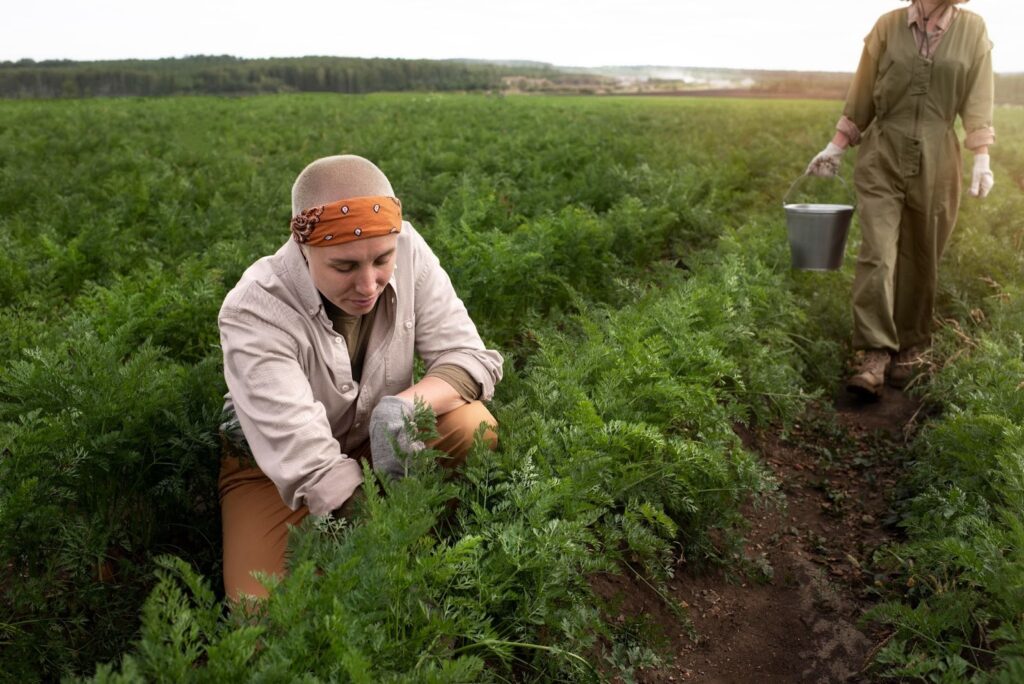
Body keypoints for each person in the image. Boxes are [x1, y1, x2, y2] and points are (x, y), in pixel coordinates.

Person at [216, 154, 503, 600]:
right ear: (303, 248)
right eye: (345, 267)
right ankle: (397, 548)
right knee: (265, 615)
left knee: (471, 426)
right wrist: (390, 544)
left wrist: (404, 408)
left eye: (381, 260)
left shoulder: (407, 249)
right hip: (274, 472)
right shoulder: (255, 309)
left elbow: (469, 356)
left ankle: (434, 536)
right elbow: (309, 463)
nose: (368, 285)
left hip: (373, 440)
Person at [806, 0, 995, 397]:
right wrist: (836, 147)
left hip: (939, 156)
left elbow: (979, 99)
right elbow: (861, 96)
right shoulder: (886, 27)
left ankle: (910, 346)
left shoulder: (973, 30)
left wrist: (982, 157)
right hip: (882, 154)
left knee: (922, 254)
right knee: (878, 251)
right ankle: (875, 353)